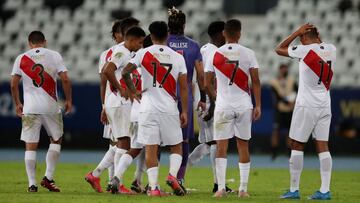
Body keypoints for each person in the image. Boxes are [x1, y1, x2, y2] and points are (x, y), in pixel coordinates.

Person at [122, 21, 188, 197]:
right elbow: (184, 87)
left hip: (148, 108)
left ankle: (154, 189)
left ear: (150, 36)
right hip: (169, 108)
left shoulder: (142, 53)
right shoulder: (177, 57)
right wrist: (185, 111)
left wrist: (133, 91)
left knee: (151, 147)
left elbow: (124, 72)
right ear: (167, 34)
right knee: (176, 146)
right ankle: (173, 176)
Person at [275, 23, 336, 200]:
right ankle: (325, 191)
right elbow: (320, 44)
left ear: (303, 37)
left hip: (306, 105)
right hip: (325, 104)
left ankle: (294, 189)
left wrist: (296, 32)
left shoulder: (304, 50)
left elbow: (279, 49)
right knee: (323, 146)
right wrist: (314, 36)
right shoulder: (331, 49)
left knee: (296, 144)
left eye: (301, 37)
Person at [205, 19, 261, 198]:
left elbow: (206, 83)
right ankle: (243, 190)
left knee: (221, 147)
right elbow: (256, 81)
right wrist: (258, 104)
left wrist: (217, 96)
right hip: (244, 105)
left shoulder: (214, 54)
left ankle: (221, 189)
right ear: (239, 34)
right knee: (243, 145)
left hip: (223, 105)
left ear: (224, 34)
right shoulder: (249, 53)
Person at [10, 31, 72, 192]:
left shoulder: (21, 58)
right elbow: (65, 78)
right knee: (56, 140)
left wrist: (17, 103)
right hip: (50, 106)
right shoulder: (54, 55)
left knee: (30, 146)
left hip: (30, 108)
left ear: (29, 43)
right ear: (45, 41)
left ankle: (32, 184)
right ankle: (48, 178)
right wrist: (69, 100)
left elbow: (13, 84)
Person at [85, 17, 141, 193]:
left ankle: (97, 174)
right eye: (138, 40)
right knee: (125, 142)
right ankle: (116, 182)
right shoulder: (121, 51)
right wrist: (120, 89)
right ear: (128, 36)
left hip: (114, 102)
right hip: (119, 102)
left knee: (121, 142)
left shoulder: (119, 51)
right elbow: (107, 71)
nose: (140, 44)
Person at [188, 20, 232, 193]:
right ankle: (217, 184)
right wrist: (212, 105)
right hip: (207, 99)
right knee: (215, 142)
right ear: (221, 33)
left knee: (208, 143)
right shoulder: (215, 52)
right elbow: (207, 80)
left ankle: (179, 175)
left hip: (202, 98)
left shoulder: (204, 49)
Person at [167, 7, 206, 188]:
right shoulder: (193, 45)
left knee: (155, 141)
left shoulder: (161, 43)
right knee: (183, 141)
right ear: (184, 25)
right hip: (185, 98)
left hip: (163, 96)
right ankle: (179, 178)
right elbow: (200, 75)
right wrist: (203, 97)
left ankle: (149, 183)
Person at [109, 35, 153, 194]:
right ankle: (152, 186)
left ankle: (118, 177)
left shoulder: (135, 64)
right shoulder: (153, 65)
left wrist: (132, 92)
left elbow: (124, 77)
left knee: (135, 148)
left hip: (134, 111)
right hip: (149, 111)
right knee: (152, 148)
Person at [270, 63, 296, 160]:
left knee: (290, 132)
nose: (284, 71)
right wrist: (286, 101)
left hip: (290, 110)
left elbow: (296, 92)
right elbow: (275, 96)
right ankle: (274, 152)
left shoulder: (292, 80)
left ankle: (289, 151)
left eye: (286, 69)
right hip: (280, 110)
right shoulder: (274, 82)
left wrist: (292, 101)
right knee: (276, 131)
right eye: (283, 69)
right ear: (280, 70)